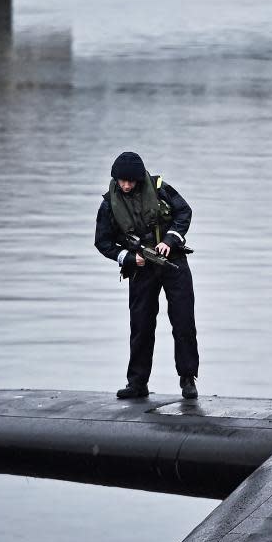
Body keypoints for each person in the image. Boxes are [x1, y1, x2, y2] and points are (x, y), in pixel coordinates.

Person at [94, 152, 199, 399]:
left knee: (183, 322)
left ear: (139, 179)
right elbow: (103, 242)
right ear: (116, 179)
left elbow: (184, 212)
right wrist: (131, 258)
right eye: (122, 181)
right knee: (141, 326)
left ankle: (187, 379)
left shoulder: (161, 189)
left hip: (173, 261)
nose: (127, 185)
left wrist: (171, 240)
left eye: (131, 180)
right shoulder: (109, 204)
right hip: (141, 268)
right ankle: (137, 383)